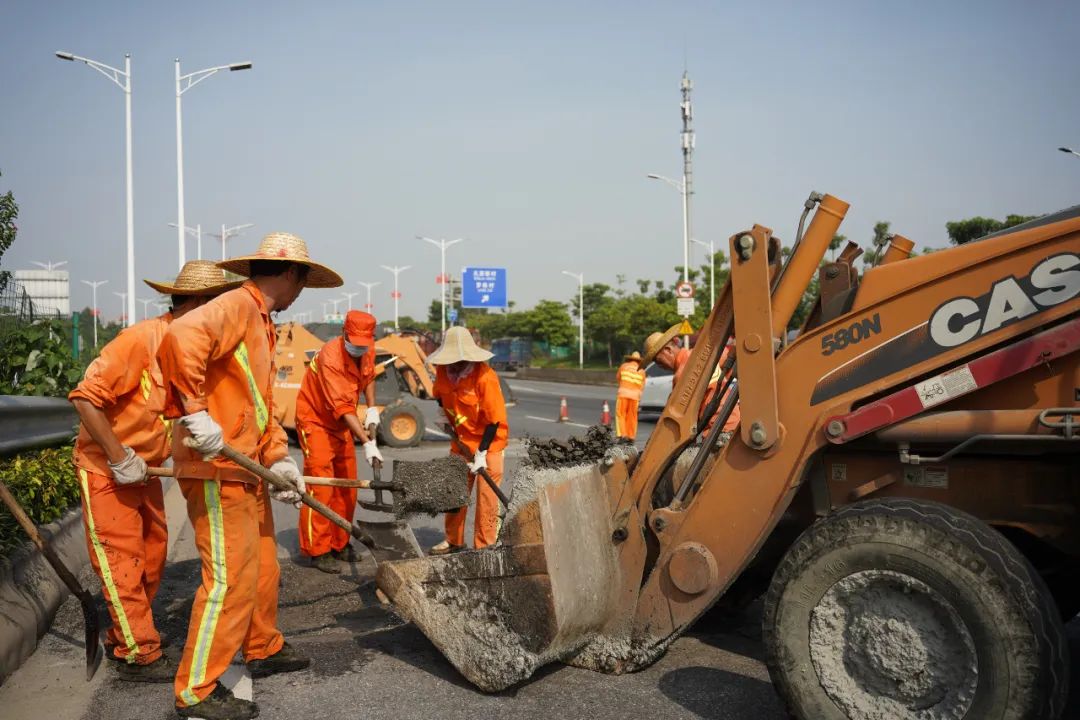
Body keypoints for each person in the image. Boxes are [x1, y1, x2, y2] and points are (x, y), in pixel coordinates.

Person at [157, 232, 343, 720]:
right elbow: (180, 338)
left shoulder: (261, 320)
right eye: (303, 281)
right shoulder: (239, 305)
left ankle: (261, 644)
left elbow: (259, 403)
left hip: (244, 467)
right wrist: (194, 414)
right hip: (217, 470)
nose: (302, 291)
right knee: (230, 579)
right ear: (292, 274)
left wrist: (280, 459)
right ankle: (196, 690)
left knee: (263, 566)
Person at [68, 261, 239, 683]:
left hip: (146, 471)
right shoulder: (142, 339)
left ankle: (125, 633)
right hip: (108, 469)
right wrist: (118, 456)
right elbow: (84, 398)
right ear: (198, 304)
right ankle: (138, 652)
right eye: (218, 307)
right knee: (122, 562)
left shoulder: (193, 350)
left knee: (151, 560)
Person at [294, 310, 382, 573]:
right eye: (353, 342)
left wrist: (372, 408)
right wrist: (367, 442)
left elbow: (368, 377)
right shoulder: (331, 357)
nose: (358, 348)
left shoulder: (366, 348)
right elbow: (342, 407)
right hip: (316, 421)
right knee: (321, 487)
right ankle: (318, 550)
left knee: (347, 485)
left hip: (342, 423)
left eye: (363, 343)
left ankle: (340, 542)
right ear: (344, 334)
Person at [427, 326, 508, 554]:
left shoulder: (485, 377)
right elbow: (440, 396)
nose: (455, 364)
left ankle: (484, 547)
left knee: (487, 501)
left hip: (489, 445)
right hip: (461, 443)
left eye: (460, 360)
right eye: (452, 360)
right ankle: (453, 541)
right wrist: (443, 415)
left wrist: (482, 453)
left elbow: (494, 421)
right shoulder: (443, 371)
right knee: (453, 493)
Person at [643, 324, 740, 442]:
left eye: (658, 361)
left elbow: (678, 418)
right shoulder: (701, 355)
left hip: (718, 431)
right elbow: (728, 355)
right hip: (733, 423)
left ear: (668, 350)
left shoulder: (682, 374)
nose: (659, 366)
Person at [614, 351, 645, 441]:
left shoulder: (624, 366)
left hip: (623, 394)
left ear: (630, 359)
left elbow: (618, 378)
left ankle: (622, 434)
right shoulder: (642, 371)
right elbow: (642, 386)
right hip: (635, 397)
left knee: (621, 414)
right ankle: (631, 436)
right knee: (632, 416)